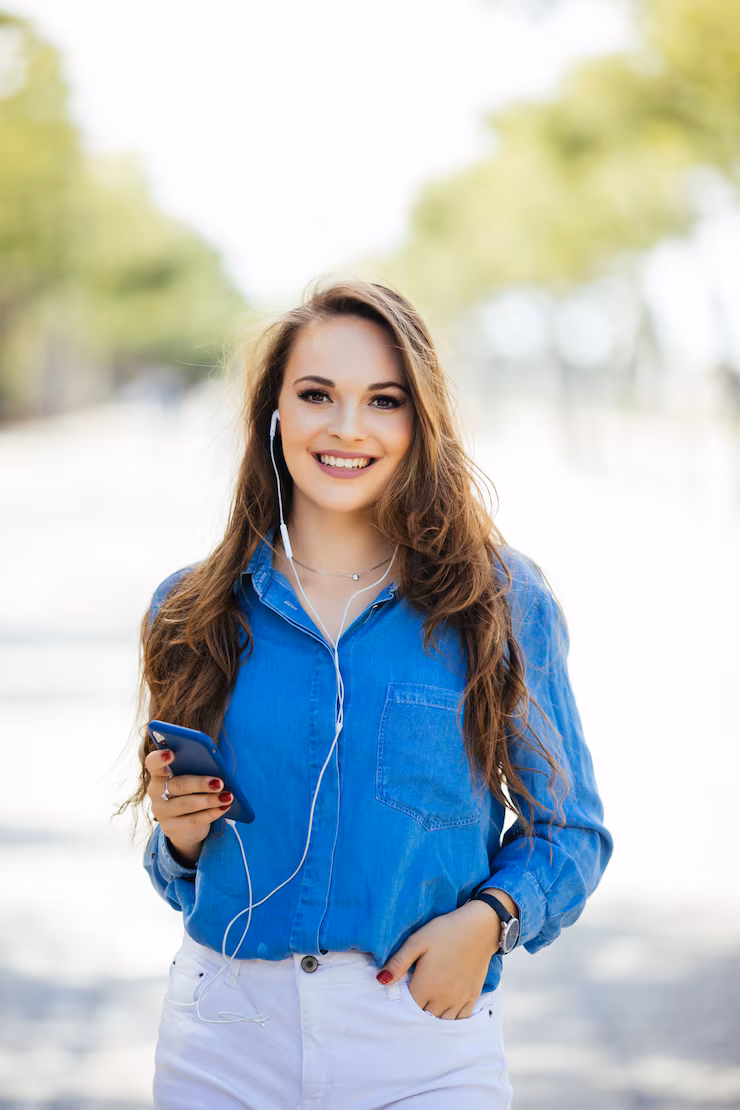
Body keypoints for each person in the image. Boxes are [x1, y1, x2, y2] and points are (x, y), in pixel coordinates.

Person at [123, 278, 613, 1109]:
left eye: (383, 400)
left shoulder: (496, 601)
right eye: (317, 395)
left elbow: (571, 832)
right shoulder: (190, 609)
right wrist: (176, 839)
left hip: (421, 1040)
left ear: (419, 420)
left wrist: (491, 918)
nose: (347, 427)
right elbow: (177, 873)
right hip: (224, 1039)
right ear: (274, 412)